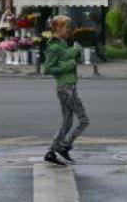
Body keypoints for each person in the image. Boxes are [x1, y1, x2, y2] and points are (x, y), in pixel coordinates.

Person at [43, 15, 90, 166]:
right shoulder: (54, 47)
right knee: (84, 120)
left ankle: (52, 152)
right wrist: (67, 66)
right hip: (66, 88)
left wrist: (77, 53)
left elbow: (76, 58)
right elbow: (47, 69)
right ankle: (65, 146)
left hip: (69, 87)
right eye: (66, 27)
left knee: (67, 123)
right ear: (57, 28)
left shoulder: (64, 44)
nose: (68, 30)